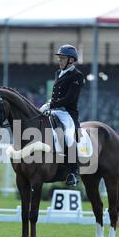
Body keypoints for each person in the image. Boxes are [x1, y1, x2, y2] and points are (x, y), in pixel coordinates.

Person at [39, 44, 84, 186]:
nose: (60, 61)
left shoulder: (77, 76)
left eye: (63, 58)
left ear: (71, 60)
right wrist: (48, 104)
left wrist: (51, 104)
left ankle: (73, 171)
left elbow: (70, 99)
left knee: (69, 137)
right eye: (59, 58)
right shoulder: (58, 73)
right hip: (54, 109)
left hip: (67, 113)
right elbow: (56, 96)